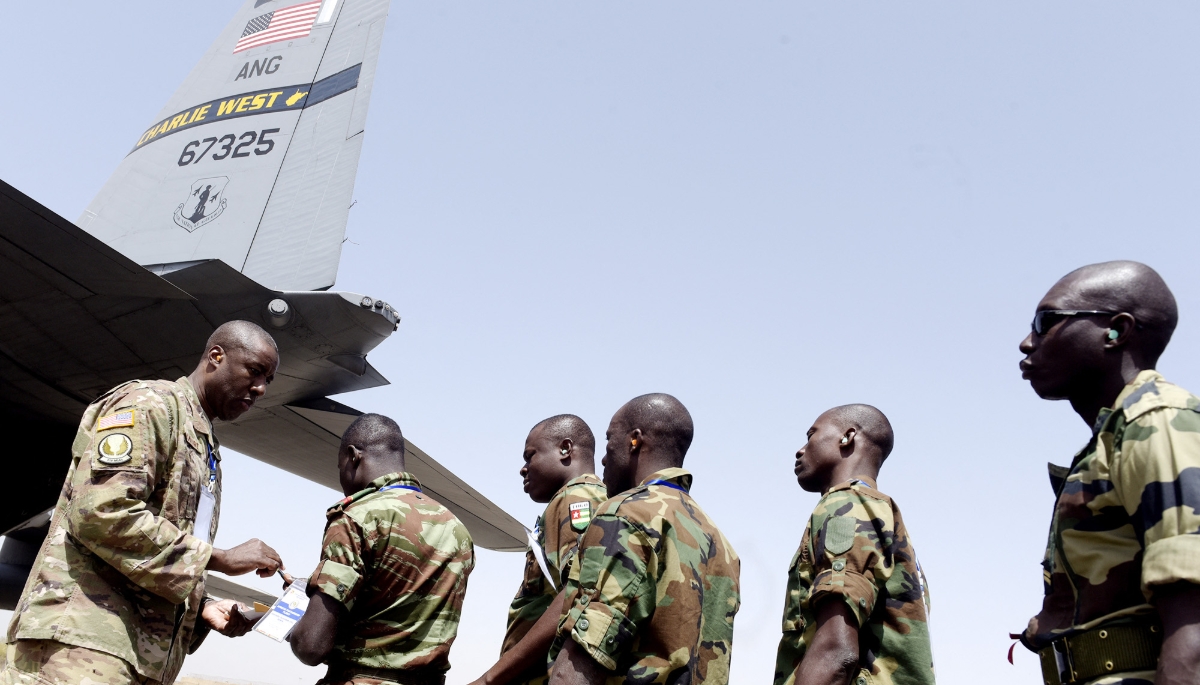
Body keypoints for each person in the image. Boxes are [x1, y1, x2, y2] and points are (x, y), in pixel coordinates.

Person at [2, 320, 287, 685]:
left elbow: (158, 545)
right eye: (255, 371)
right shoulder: (150, 404)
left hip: (138, 657)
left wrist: (203, 607)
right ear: (216, 357)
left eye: (268, 380)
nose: (261, 388)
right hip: (81, 646)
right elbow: (102, 512)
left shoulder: (203, 441)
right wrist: (220, 558)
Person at [1016, 261, 1200, 685]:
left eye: (1047, 322)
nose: (1028, 343)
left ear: (1116, 330)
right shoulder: (1114, 433)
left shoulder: (1156, 419)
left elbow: (1193, 604)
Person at [547, 393, 740, 685]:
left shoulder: (625, 513)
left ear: (635, 440)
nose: (602, 458)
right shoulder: (720, 542)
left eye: (610, 441)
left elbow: (583, 658)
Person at [290, 413, 475, 685]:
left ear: (353, 456)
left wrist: (290, 626)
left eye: (339, 465)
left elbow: (311, 647)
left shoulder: (357, 518)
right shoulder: (456, 528)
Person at [773, 404, 934, 685]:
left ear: (847, 437)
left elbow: (836, 651)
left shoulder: (846, 505)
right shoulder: (881, 514)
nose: (800, 450)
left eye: (811, 435)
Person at [470, 415, 608, 685]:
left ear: (565, 449)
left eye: (530, 456)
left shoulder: (575, 498)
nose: (523, 469)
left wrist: (491, 678)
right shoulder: (590, 498)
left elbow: (578, 592)